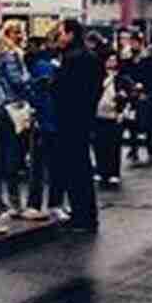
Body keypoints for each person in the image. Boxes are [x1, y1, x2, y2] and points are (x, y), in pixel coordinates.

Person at [53, 16, 104, 231]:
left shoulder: (71, 59)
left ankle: (81, 216)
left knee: (74, 168)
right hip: (85, 118)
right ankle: (87, 213)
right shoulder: (91, 57)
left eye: (62, 33)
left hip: (70, 119)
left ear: (71, 34)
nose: (60, 37)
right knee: (82, 166)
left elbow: (61, 89)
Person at [0, 20, 31, 220]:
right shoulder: (11, 55)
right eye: (19, 32)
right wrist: (30, 77)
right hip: (12, 105)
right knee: (13, 152)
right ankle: (14, 200)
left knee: (1, 152)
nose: (22, 36)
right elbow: (18, 81)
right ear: (11, 34)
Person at [23, 32, 62, 220]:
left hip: (42, 120)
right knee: (54, 165)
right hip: (53, 120)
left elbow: (32, 93)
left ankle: (35, 203)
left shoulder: (36, 67)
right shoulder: (52, 66)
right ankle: (54, 203)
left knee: (38, 166)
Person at [91, 41, 126, 185]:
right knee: (100, 144)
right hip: (99, 114)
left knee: (114, 145)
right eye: (109, 60)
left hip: (114, 114)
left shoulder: (121, 77)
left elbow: (128, 91)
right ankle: (101, 170)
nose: (112, 62)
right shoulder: (99, 76)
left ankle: (113, 171)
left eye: (114, 60)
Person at [123, 31, 152, 165]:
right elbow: (125, 74)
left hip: (146, 95)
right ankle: (134, 150)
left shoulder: (148, 58)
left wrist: (145, 88)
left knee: (148, 125)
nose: (133, 44)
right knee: (132, 124)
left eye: (135, 42)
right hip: (132, 95)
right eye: (132, 42)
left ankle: (151, 150)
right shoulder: (127, 57)